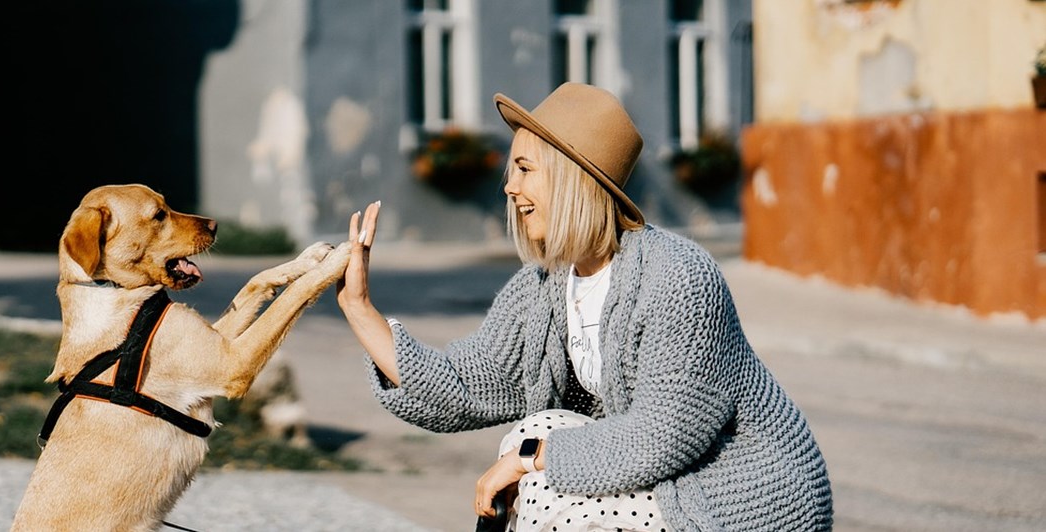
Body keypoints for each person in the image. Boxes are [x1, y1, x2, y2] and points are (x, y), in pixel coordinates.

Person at [335, 83, 833, 532]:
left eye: (525, 170)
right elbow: (466, 385)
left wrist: (530, 462)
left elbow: (658, 437)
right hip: (669, 474)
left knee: (552, 486)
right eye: (512, 171)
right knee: (534, 433)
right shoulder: (545, 286)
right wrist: (359, 307)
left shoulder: (679, 276)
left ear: (573, 178)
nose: (510, 187)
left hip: (744, 492)